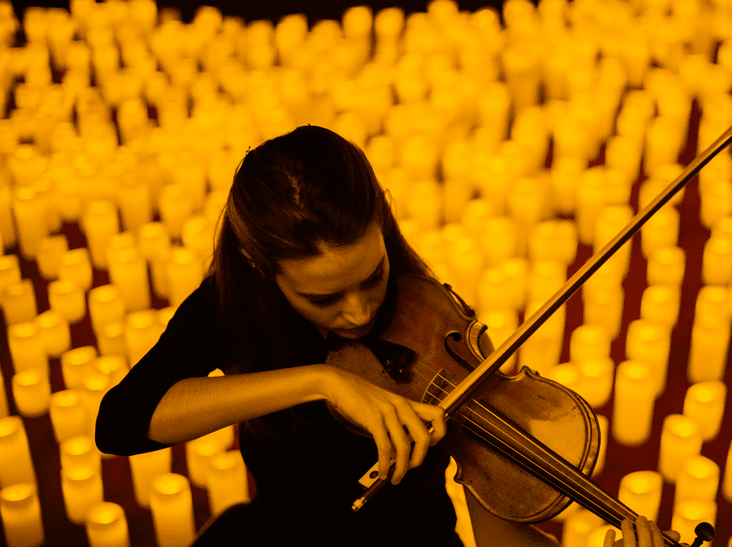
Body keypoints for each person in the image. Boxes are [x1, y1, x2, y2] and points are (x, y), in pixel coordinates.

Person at [95, 125, 553, 545]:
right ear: (260, 267)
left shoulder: (437, 324)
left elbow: (498, 528)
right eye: (322, 298)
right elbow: (120, 423)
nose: (358, 312)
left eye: (374, 276)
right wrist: (320, 380)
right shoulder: (235, 304)